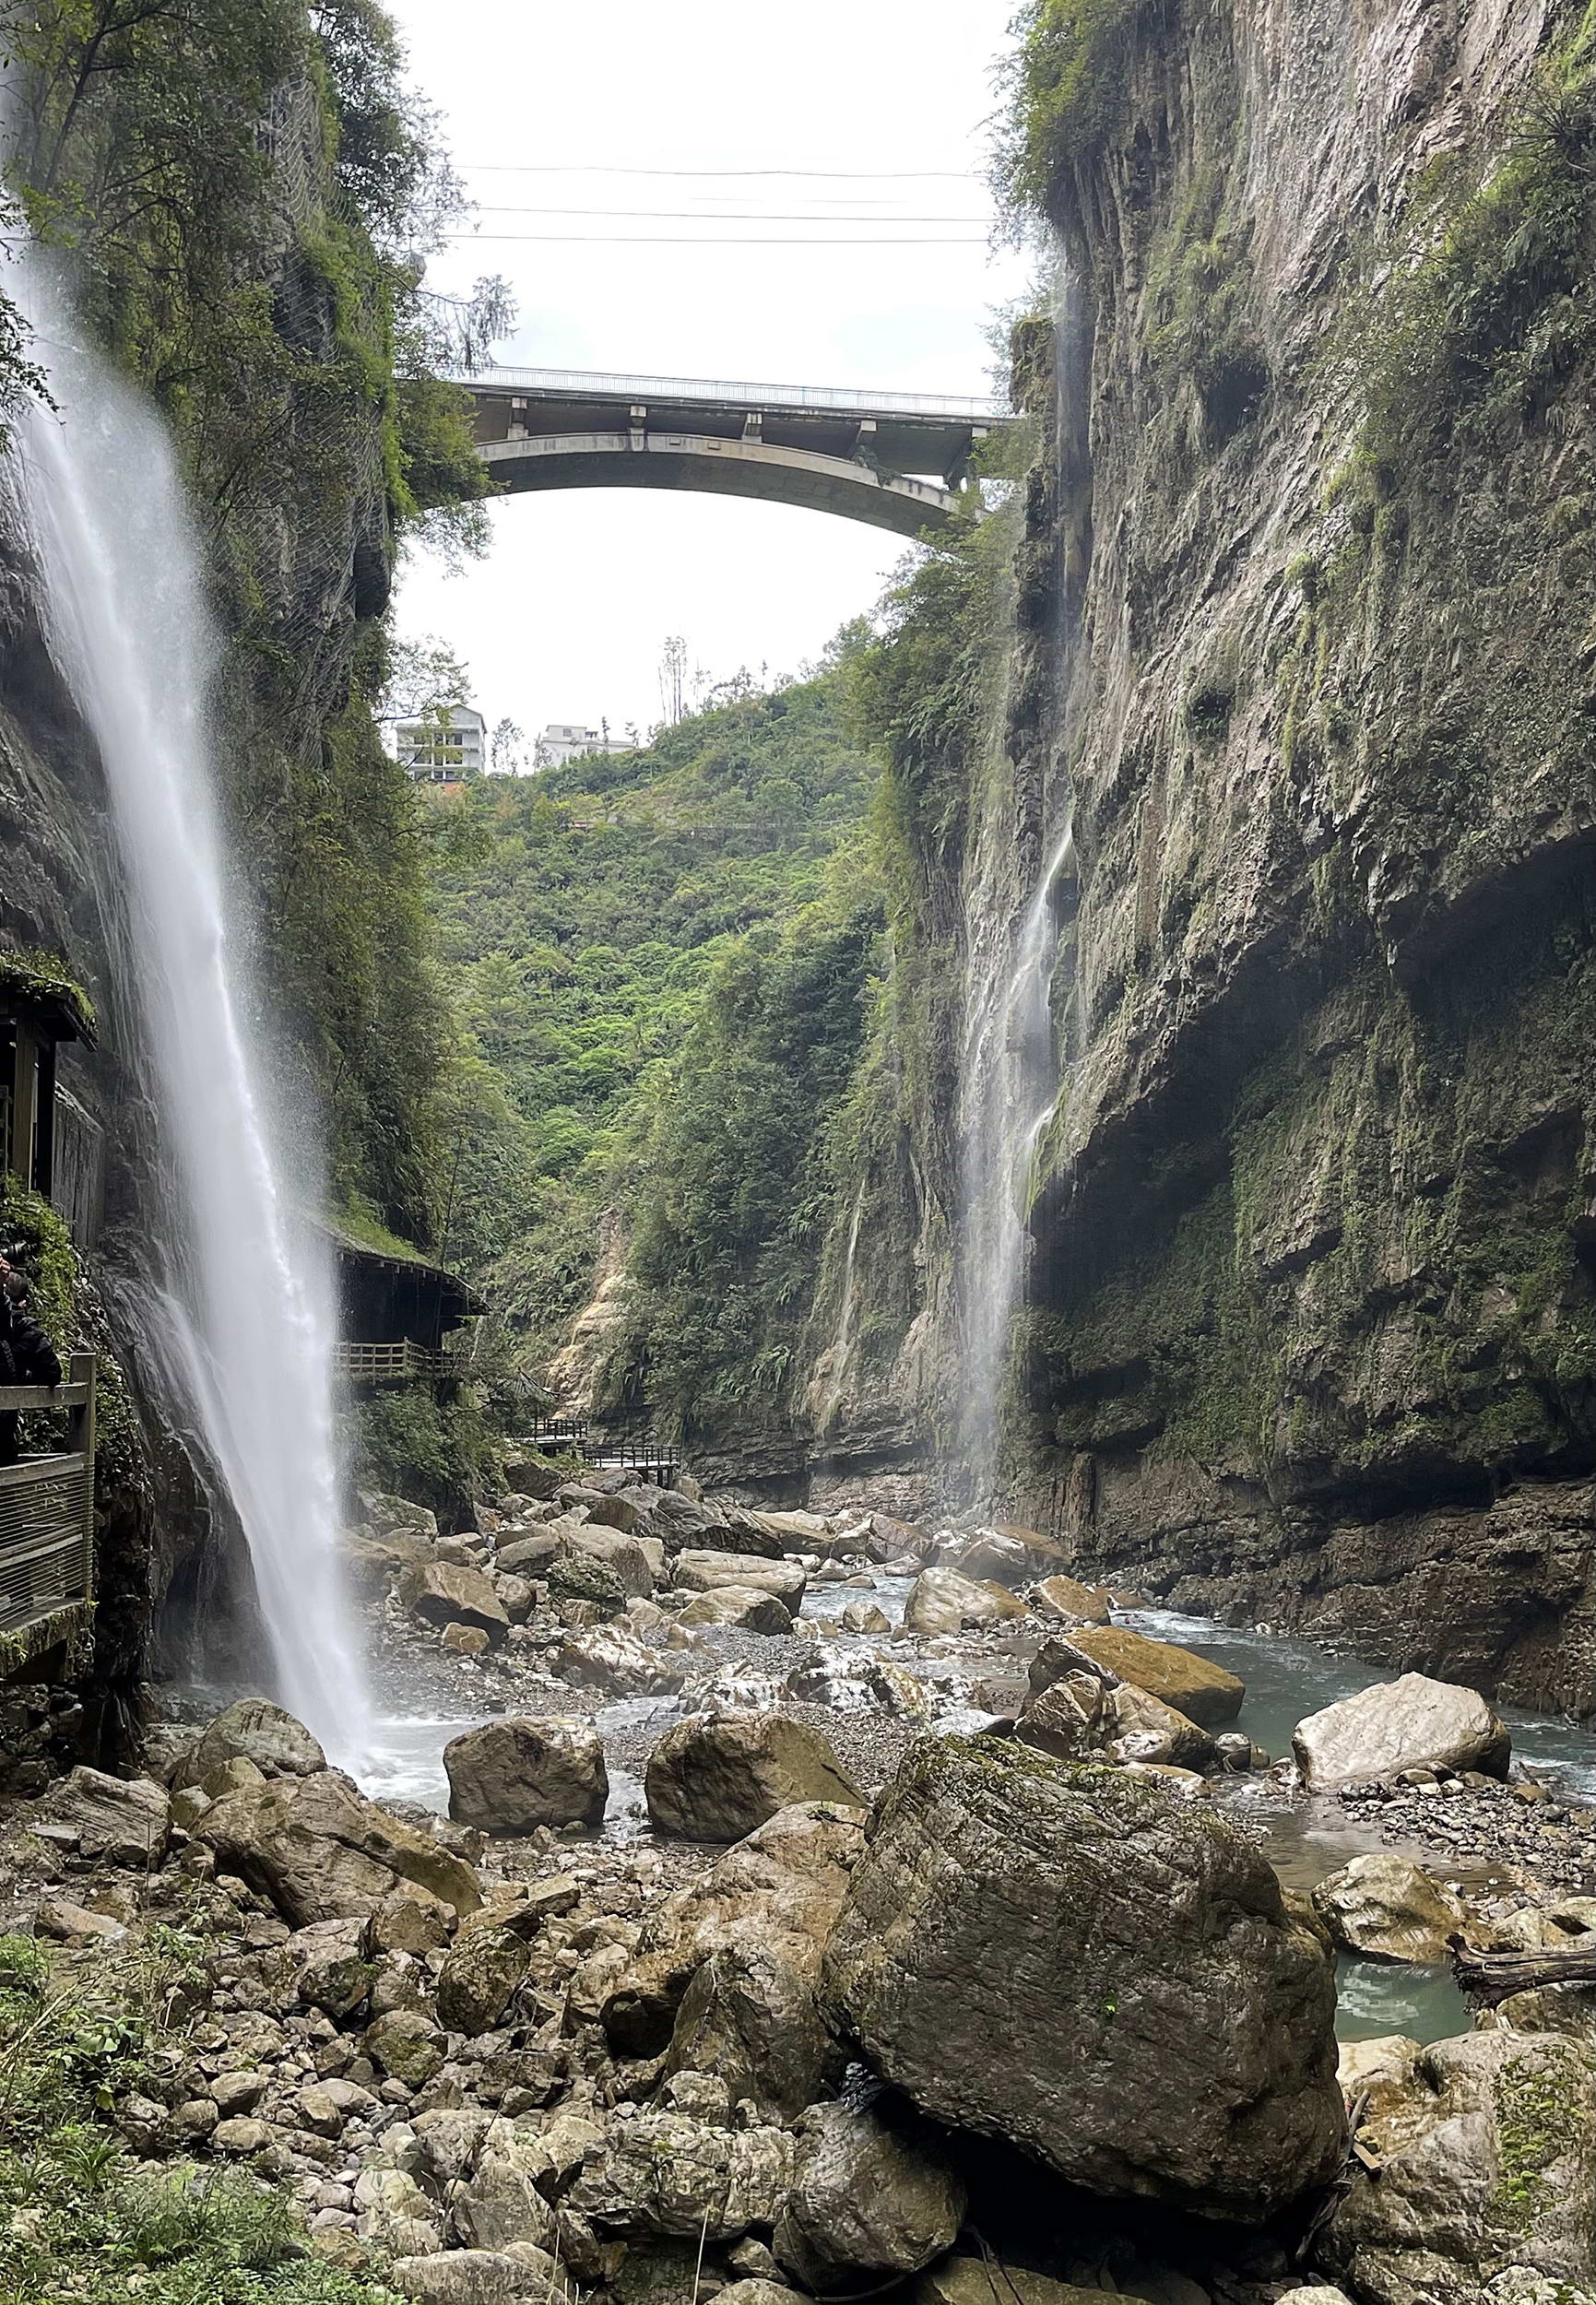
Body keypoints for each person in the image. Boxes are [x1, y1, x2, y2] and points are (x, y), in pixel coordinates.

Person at [0, 1254, 62, 1465]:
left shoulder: (12, 1325)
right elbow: (53, 1373)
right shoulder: (29, 1331)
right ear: (24, 1301)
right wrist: (22, 1378)